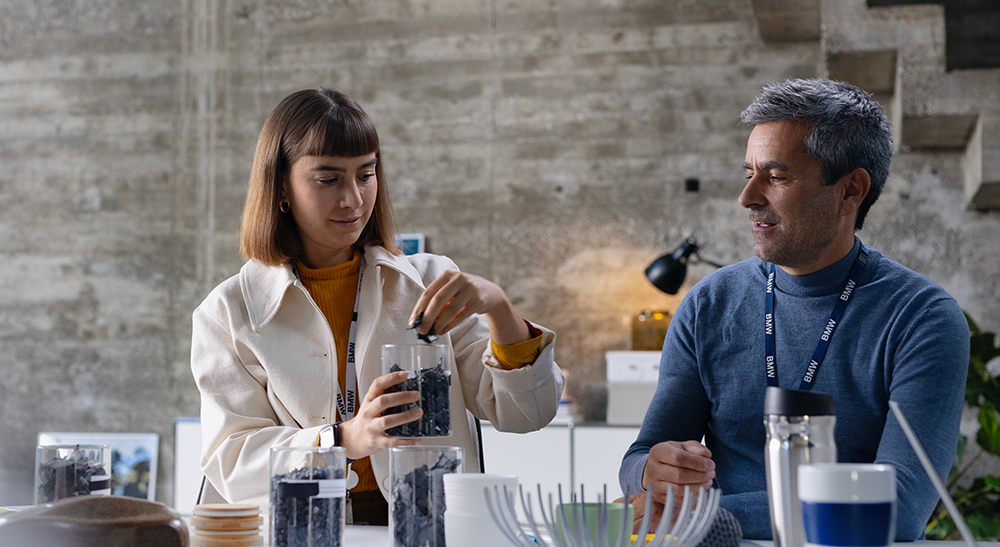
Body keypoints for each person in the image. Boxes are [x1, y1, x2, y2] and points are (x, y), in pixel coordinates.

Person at [191, 87, 564, 523]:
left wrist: (499, 308)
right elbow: (231, 460)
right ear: (281, 188)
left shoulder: (429, 282)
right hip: (307, 529)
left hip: (429, 526)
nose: (352, 199)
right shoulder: (230, 311)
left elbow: (526, 413)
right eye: (328, 179)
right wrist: (343, 439)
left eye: (365, 175)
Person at [619, 78, 969, 540]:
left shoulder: (922, 319)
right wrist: (654, 472)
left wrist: (701, 511)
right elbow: (639, 459)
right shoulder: (708, 304)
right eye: (749, 173)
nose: (747, 197)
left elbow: (898, 509)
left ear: (851, 190)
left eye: (777, 177)